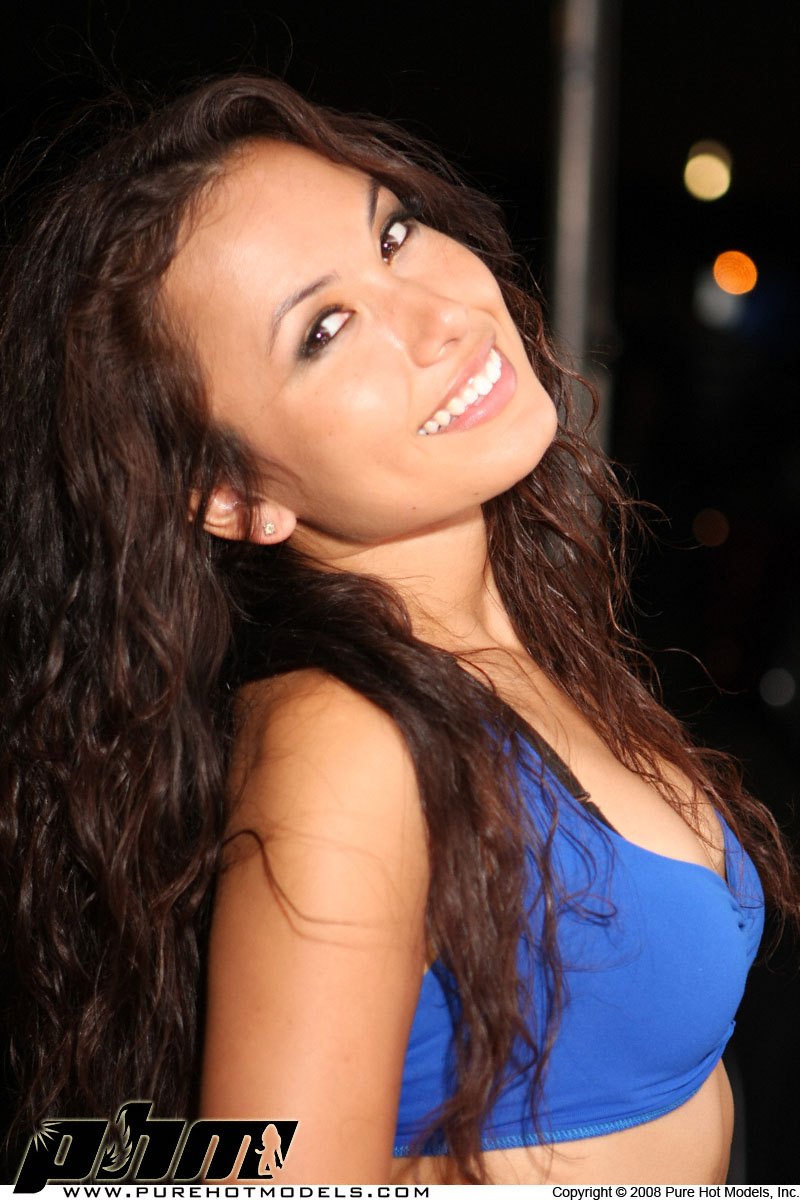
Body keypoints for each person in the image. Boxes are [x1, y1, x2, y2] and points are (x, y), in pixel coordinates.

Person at [0, 74, 796, 1187]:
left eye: (394, 233)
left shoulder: (512, 646)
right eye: (324, 330)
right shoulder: (345, 751)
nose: (440, 315)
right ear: (230, 493)